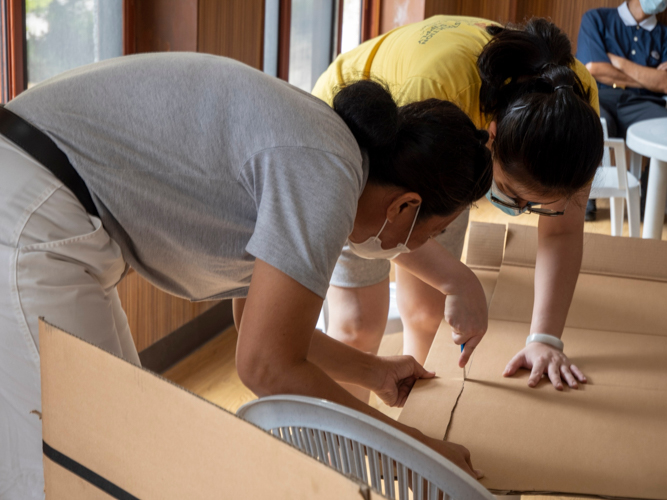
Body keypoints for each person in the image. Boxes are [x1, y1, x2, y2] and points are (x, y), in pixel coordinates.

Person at [0, 52, 492, 498]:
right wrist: (419, 452)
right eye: (435, 231)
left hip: (44, 204)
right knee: (82, 456)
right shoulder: (327, 176)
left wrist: (374, 372)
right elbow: (265, 367)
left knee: (126, 435)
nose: (425, 247)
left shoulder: (329, 157)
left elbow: (256, 328)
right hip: (31, 211)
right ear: (406, 205)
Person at [313, 16, 604, 394]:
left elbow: (563, 229)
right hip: (361, 141)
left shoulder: (573, 110)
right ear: (492, 137)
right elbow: (373, 227)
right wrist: (459, 278)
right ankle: (336, 450)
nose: (521, 210)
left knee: (429, 314)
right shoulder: (436, 90)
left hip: (446, 158)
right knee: (358, 325)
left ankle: (415, 426)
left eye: (537, 205)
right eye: (513, 195)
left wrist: (545, 339)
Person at [577, 0, 667, 220]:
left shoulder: (664, 34)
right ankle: (582, 199)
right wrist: (650, 76)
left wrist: (618, 63)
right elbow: (594, 68)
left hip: (645, 105)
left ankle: (652, 201)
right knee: (588, 120)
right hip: (601, 97)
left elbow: (664, 84)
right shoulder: (596, 19)